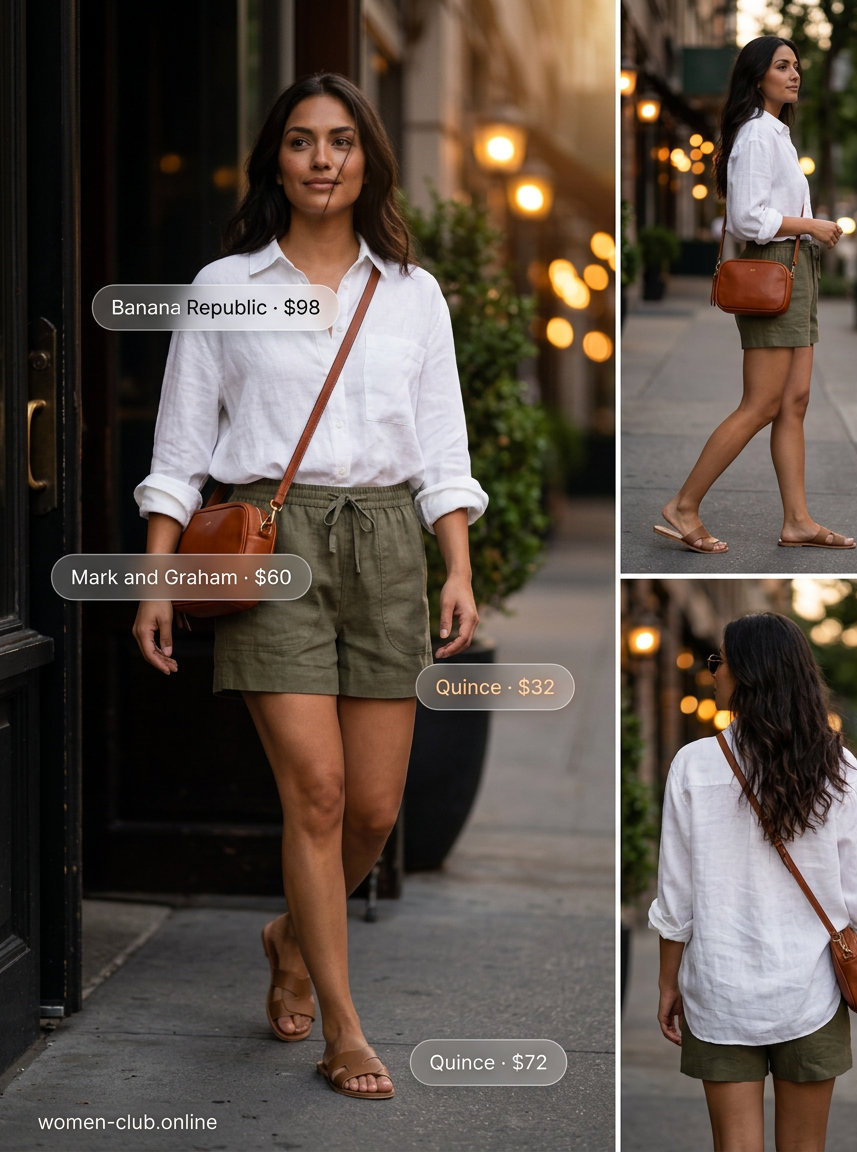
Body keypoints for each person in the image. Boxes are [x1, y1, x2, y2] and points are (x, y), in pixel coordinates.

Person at [132, 73, 488, 1101]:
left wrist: (456, 561)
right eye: (300, 141)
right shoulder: (225, 286)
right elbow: (181, 446)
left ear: (367, 158)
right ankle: (344, 1024)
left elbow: (441, 446)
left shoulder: (413, 293)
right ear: (275, 162)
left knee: (375, 807)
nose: (322, 158)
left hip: (385, 542)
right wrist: (157, 577)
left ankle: (291, 934)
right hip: (268, 541)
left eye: (340, 141)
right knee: (318, 795)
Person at [648, 613, 857, 1151]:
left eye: (719, 662)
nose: (711, 672)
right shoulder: (839, 768)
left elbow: (675, 898)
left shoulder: (693, 765)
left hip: (719, 989)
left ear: (748, 674)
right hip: (812, 991)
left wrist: (669, 982)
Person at [654, 36, 853, 555]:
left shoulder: (778, 133)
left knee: (795, 401)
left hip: (796, 267)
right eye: (782, 66)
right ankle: (683, 505)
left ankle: (798, 521)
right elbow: (747, 218)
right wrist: (810, 224)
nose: (794, 75)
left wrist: (809, 234)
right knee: (761, 403)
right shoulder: (755, 135)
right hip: (773, 269)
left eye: (797, 67)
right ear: (757, 75)